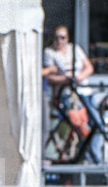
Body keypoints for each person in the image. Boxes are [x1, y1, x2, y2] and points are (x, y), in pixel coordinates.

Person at [42, 25, 104, 164]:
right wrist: (67, 80)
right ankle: (89, 158)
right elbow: (49, 77)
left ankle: (94, 157)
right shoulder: (50, 52)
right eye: (56, 37)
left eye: (62, 37)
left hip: (85, 91)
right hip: (67, 95)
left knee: (98, 124)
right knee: (81, 127)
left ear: (67, 38)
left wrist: (79, 77)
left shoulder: (74, 49)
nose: (59, 40)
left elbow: (89, 67)